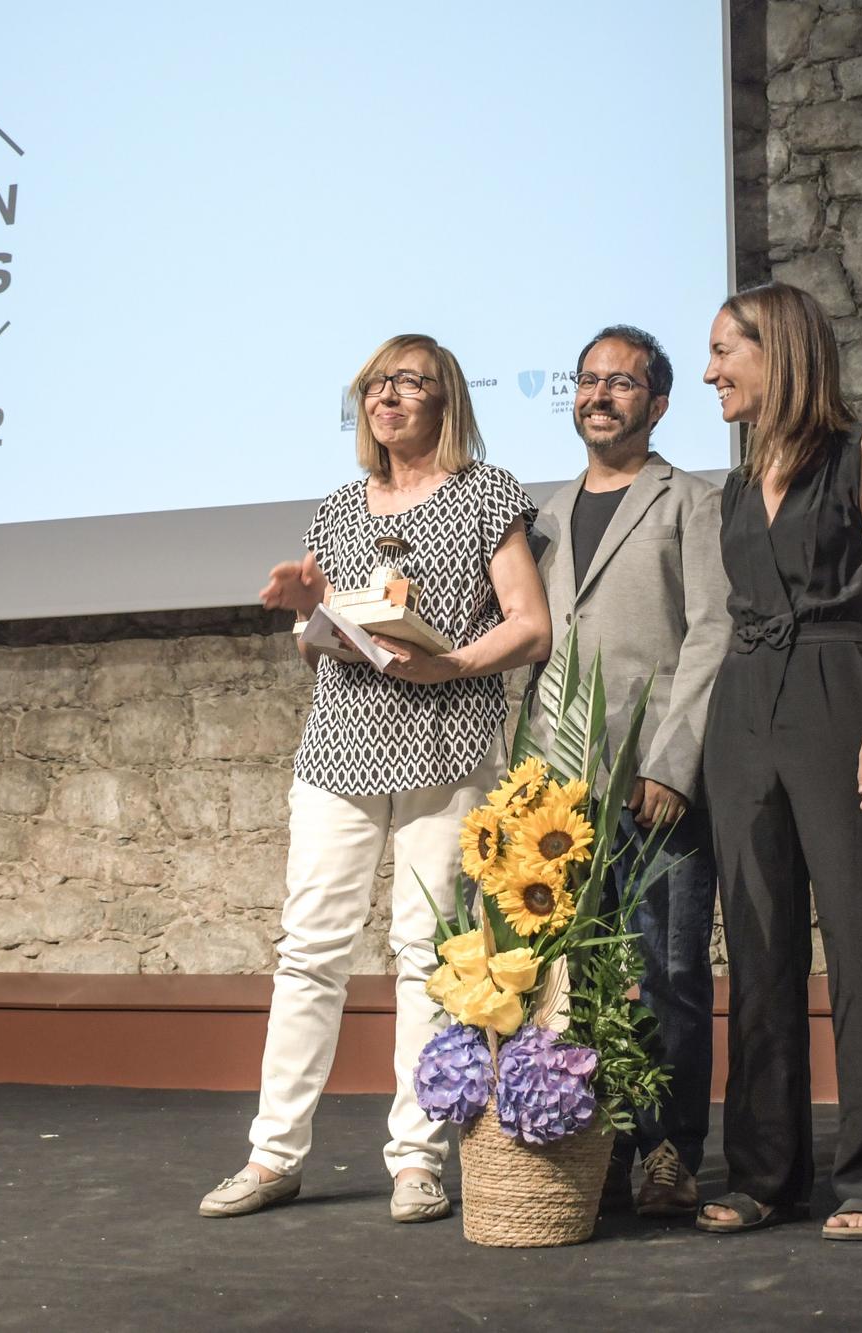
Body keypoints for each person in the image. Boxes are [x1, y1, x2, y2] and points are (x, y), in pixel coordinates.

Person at [200, 334, 548, 1221]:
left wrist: (455, 661)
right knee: (309, 950)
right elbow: (334, 630)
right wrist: (307, 606)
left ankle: (417, 1159)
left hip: (447, 737)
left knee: (427, 955)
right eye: (374, 385)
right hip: (343, 743)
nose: (386, 398)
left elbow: (530, 625)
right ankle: (274, 1154)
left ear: (445, 399)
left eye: (407, 383)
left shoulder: (486, 492)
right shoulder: (337, 509)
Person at [694, 283, 862, 1241]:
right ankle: (765, 1173)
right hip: (744, 701)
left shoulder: (860, 450)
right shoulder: (734, 481)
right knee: (758, 949)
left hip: (843, 690)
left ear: (777, 349)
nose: (710, 370)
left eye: (723, 351)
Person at [527, 324, 731, 1217]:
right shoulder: (538, 516)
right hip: (559, 791)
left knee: (670, 970)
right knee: (579, 979)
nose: (599, 393)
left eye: (621, 381)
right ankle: (599, 1144)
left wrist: (671, 763)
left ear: (657, 401)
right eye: (587, 379)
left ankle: (670, 1151)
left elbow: (712, 635)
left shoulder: (692, 501)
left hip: (653, 786)